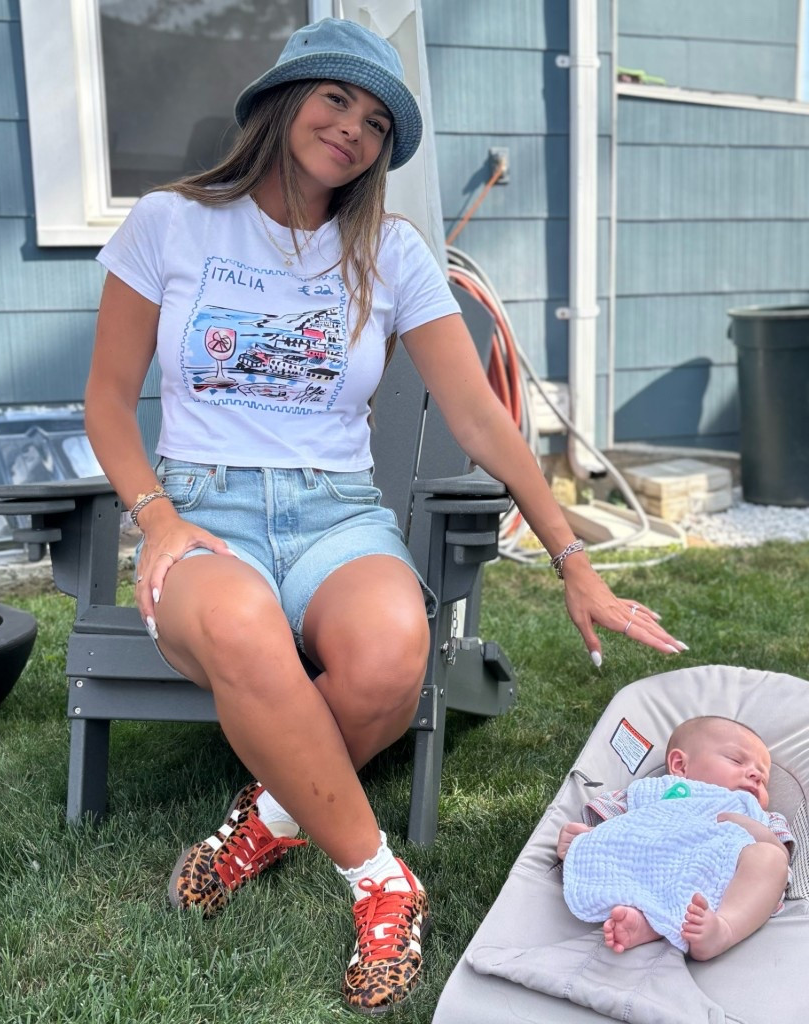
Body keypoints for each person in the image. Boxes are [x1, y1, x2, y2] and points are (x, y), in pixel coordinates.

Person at [84, 17, 685, 1014]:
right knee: (238, 621)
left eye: (375, 122)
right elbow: (107, 399)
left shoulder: (391, 250)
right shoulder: (170, 223)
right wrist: (156, 517)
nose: (352, 130)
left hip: (337, 514)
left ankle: (266, 821)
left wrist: (572, 556)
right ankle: (381, 881)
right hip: (202, 513)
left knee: (393, 651)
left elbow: (477, 416)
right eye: (336, 100)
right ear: (284, 102)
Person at [558, 716, 793, 960]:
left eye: (763, 778)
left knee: (771, 857)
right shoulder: (658, 791)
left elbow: (783, 859)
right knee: (638, 866)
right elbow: (620, 827)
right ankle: (648, 923)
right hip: (657, 872)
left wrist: (753, 827)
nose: (755, 775)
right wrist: (583, 839)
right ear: (680, 765)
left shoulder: (760, 815)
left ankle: (724, 929)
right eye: (736, 760)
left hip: (728, 888)